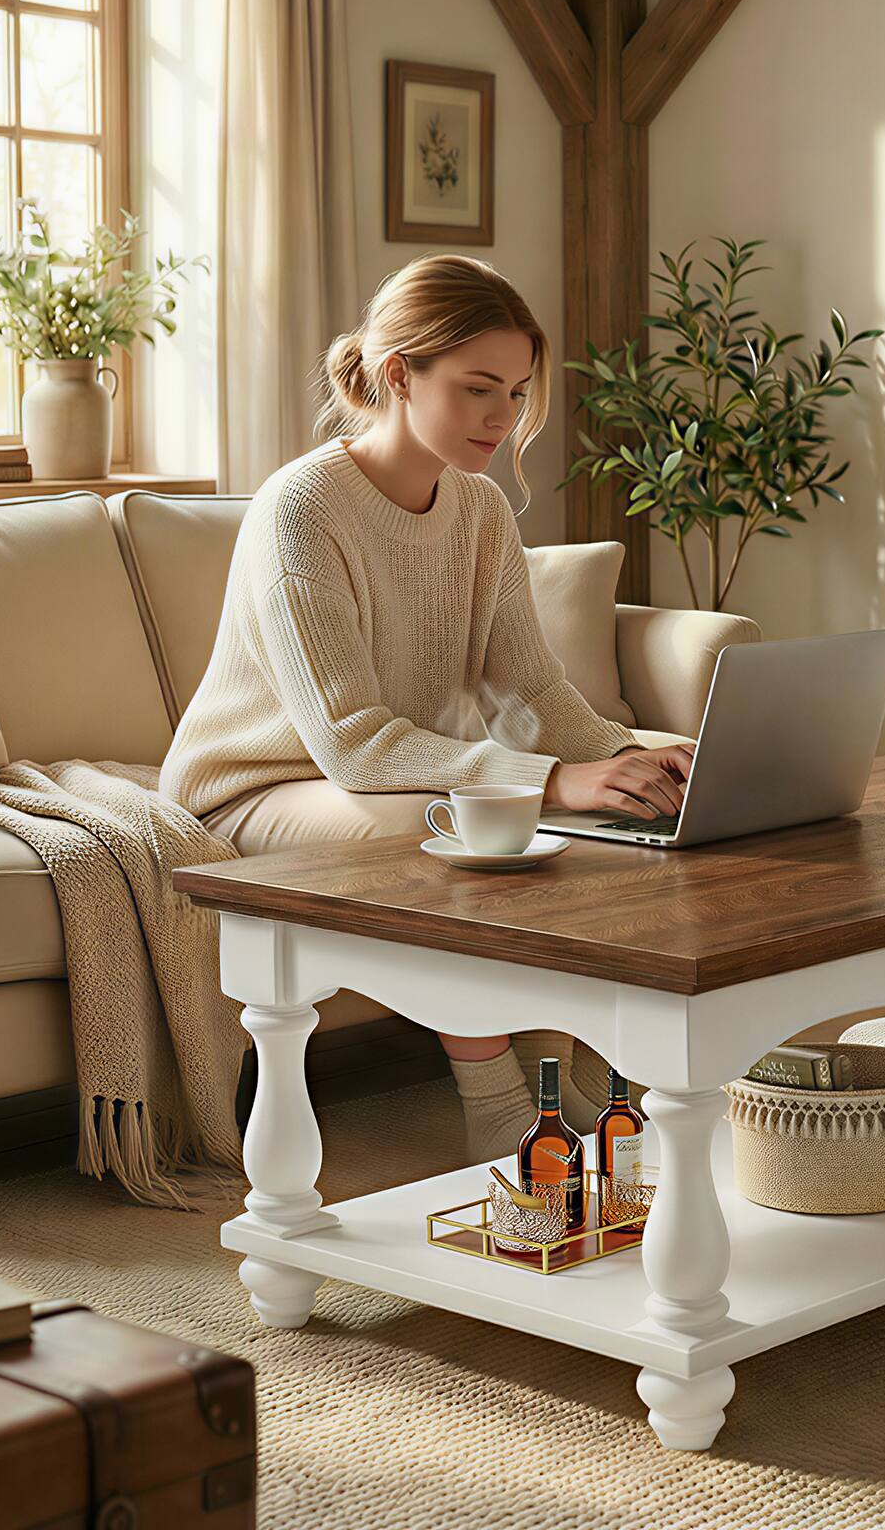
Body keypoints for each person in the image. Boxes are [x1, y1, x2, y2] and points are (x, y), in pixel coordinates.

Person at [160, 253, 694, 1159]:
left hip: (383, 777)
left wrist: (629, 761)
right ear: (398, 374)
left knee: (613, 806)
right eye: (480, 388)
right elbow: (351, 744)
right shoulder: (301, 508)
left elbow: (532, 688)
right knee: (473, 821)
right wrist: (557, 780)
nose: (504, 417)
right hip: (254, 789)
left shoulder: (482, 511)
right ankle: (497, 1107)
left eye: (519, 393)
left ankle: (594, 1082)